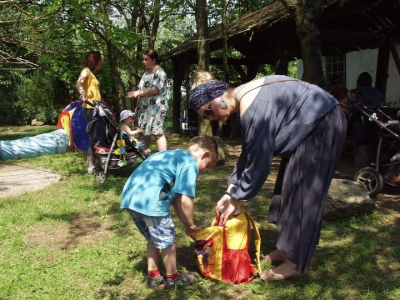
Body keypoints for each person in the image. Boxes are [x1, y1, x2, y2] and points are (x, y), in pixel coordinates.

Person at [187, 72, 347, 281]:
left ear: (219, 97)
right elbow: (249, 152)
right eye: (205, 116)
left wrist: (236, 197)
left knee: (303, 195)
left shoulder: (252, 108)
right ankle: (287, 248)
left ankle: (295, 263)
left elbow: (259, 165)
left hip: (322, 124)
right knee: (289, 189)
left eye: (208, 111)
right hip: (309, 128)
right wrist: (230, 190)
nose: (211, 118)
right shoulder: (245, 101)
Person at [121, 136, 218, 289]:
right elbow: (186, 200)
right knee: (168, 242)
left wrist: (187, 224)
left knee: (153, 239)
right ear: (205, 154)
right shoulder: (189, 164)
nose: (204, 170)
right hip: (152, 200)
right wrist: (191, 224)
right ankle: (173, 277)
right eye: (208, 165)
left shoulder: (171, 155)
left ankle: (153, 276)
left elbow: (176, 200)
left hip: (131, 198)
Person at [127, 49, 168, 157]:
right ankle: (144, 157)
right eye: (143, 59)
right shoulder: (146, 73)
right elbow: (142, 89)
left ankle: (163, 159)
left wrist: (139, 92)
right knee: (144, 132)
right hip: (145, 108)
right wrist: (135, 94)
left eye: (146, 59)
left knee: (158, 133)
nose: (143, 62)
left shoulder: (160, 73)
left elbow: (155, 90)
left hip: (157, 108)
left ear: (154, 60)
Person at [75, 50, 103, 174]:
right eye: (100, 59)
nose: (102, 62)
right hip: (90, 108)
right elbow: (78, 82)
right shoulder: (86, 71)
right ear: (95, 61)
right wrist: (82, 92)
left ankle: (99, 161)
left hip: (96, 108)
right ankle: (91, 165)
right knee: (93, 136)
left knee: (97, 135)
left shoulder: (92, 74)